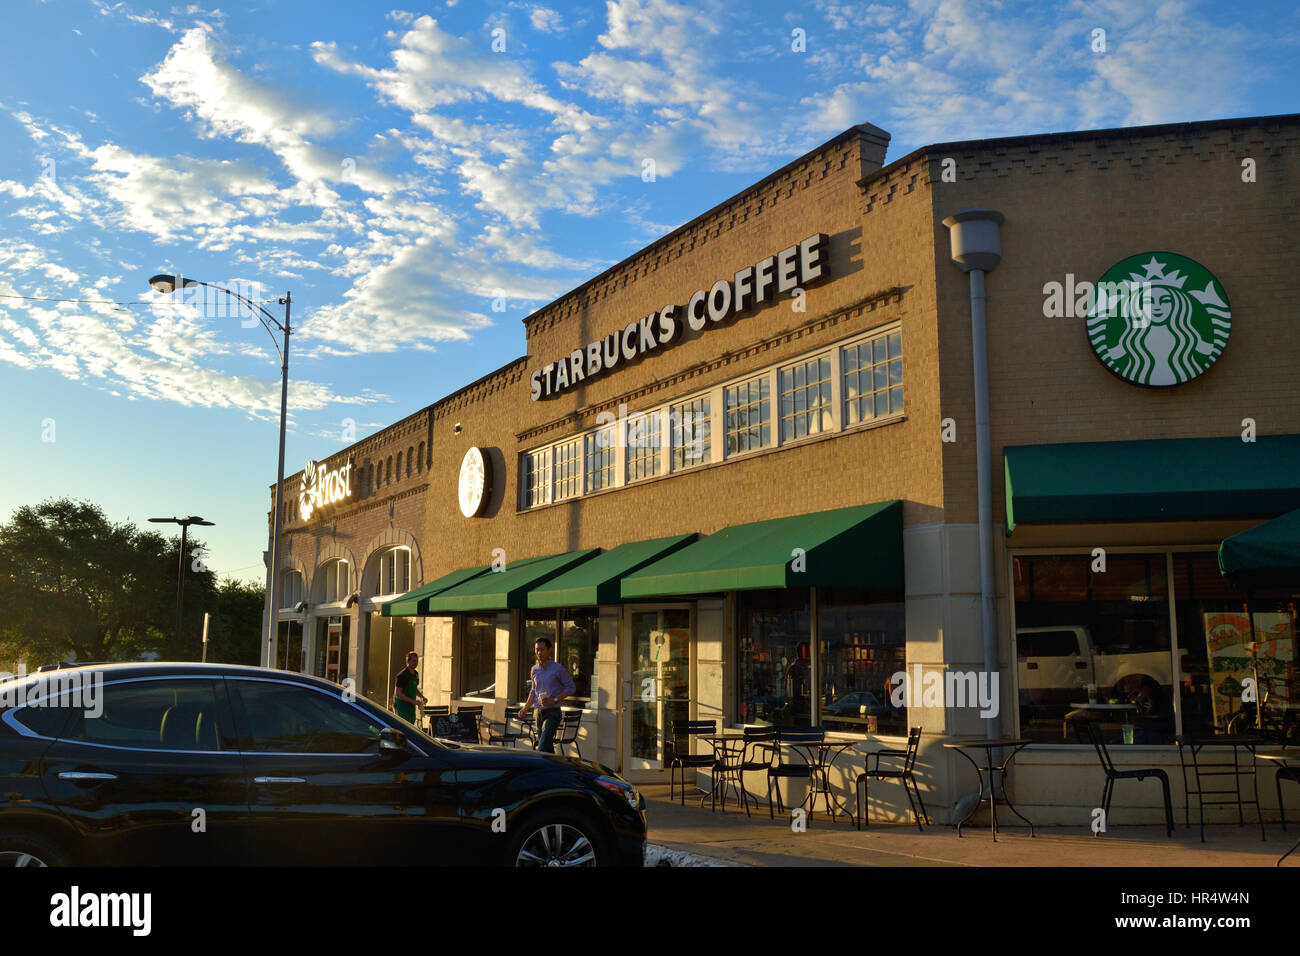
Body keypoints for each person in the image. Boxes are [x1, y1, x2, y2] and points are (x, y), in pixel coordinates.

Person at [518, 637, 575, 754]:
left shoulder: (558, 668)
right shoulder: (534, 670)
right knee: (547, 749)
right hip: (538, 713)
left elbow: (571, 688)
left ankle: (537, 768)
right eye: (537, 650)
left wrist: (554, 700)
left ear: (549, 650)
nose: (539, 653)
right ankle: (554, 769)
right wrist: (525, 708)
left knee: (542, 746)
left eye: (542, 649)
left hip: (553, 712)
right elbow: (533, 691)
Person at [392, 651, 426, 725]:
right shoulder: (402, 675)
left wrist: (422, 697)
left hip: (411, 708)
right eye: (413, 661)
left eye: (416, 661)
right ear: (408, 661)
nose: (415, 663)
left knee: (411, 726)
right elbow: (398, 694)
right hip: (402, 708)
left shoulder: (416, 674)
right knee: (403, 727)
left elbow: (414, 688)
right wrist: (413, 701)